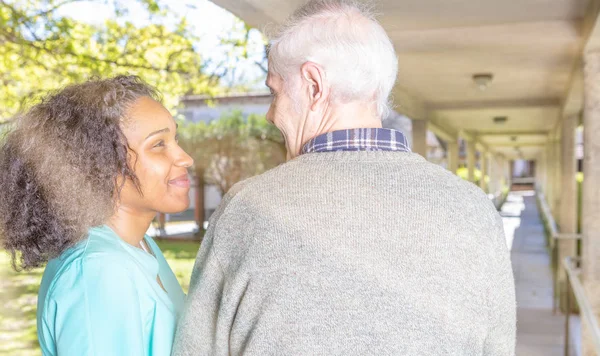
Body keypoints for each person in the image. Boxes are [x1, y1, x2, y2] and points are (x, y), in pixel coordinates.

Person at [173, 0, 516, 355]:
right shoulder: (474, 211)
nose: (270, 114)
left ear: (314, 85)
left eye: (275, 92)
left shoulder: (245, 210)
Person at [0, 76, 194, 355]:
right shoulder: (98, 269)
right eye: (158, 145)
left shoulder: (138, 246)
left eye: (174, 139)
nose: (184, 157)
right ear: (102, 166)